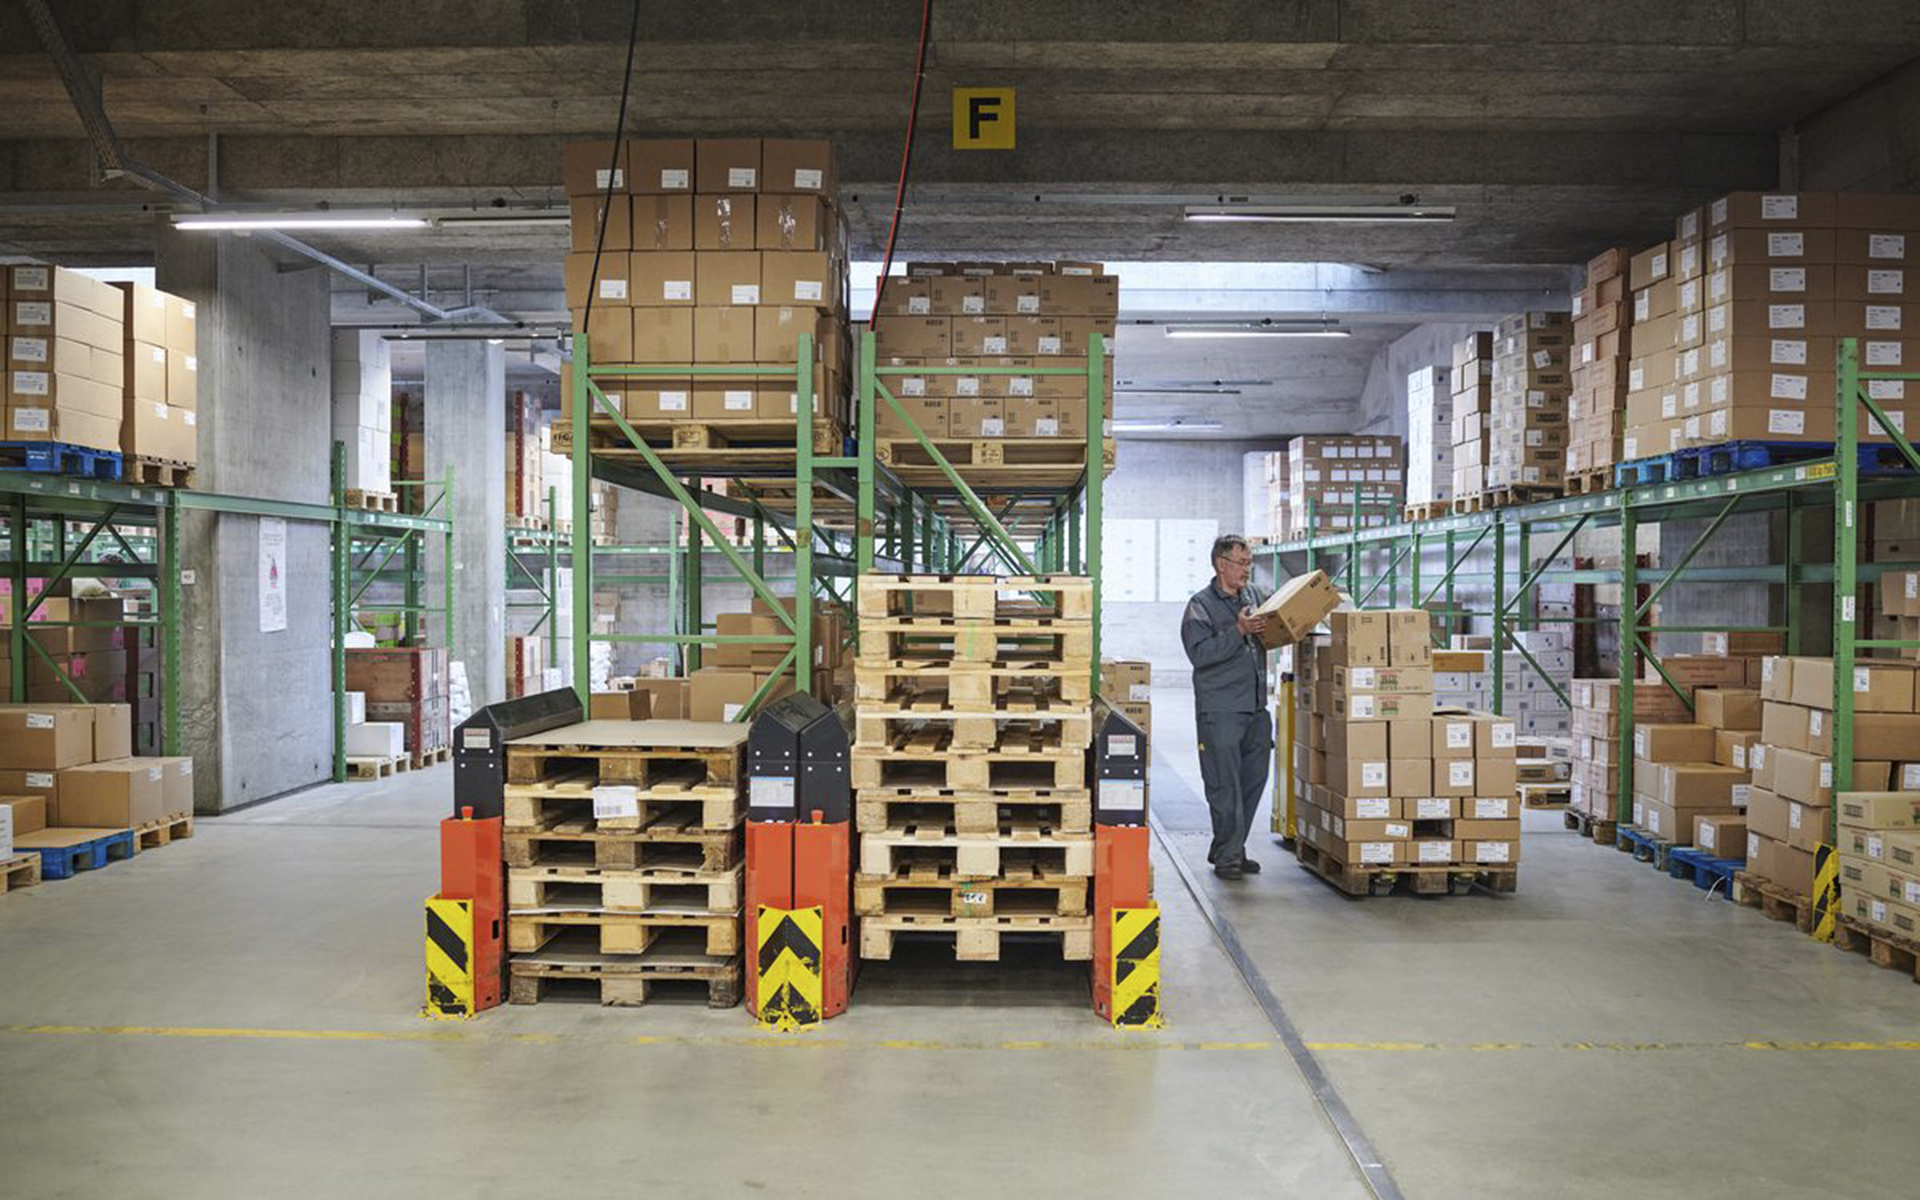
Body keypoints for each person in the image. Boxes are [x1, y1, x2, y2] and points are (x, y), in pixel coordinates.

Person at [1181, 534, 1272, 880]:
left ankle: (1231, 847)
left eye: (1249, 563)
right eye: (1242, 563)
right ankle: (1228, 857)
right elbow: (1200, 654)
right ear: (1222, 564)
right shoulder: (1200, 605)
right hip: (1220, 709)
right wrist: (1238, 631)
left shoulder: (1253, 597)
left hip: (1255, 706)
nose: (1247, 570)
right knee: (1224, 786)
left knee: (1253, 780)